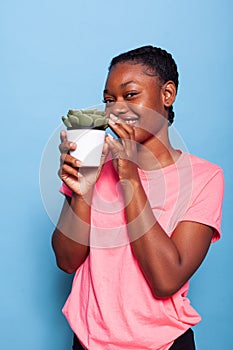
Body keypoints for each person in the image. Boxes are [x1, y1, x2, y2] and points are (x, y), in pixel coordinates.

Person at [52, 46, 224, 350]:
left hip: (164, 343)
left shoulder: (204, 177)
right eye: (109, 99)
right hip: (89, 342)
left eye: (130, 95)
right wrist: (82, 191)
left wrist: (128, 175)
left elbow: (166, 279)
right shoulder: (95, 166)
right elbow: (66, 261)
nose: (116, 108)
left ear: (167, 94)